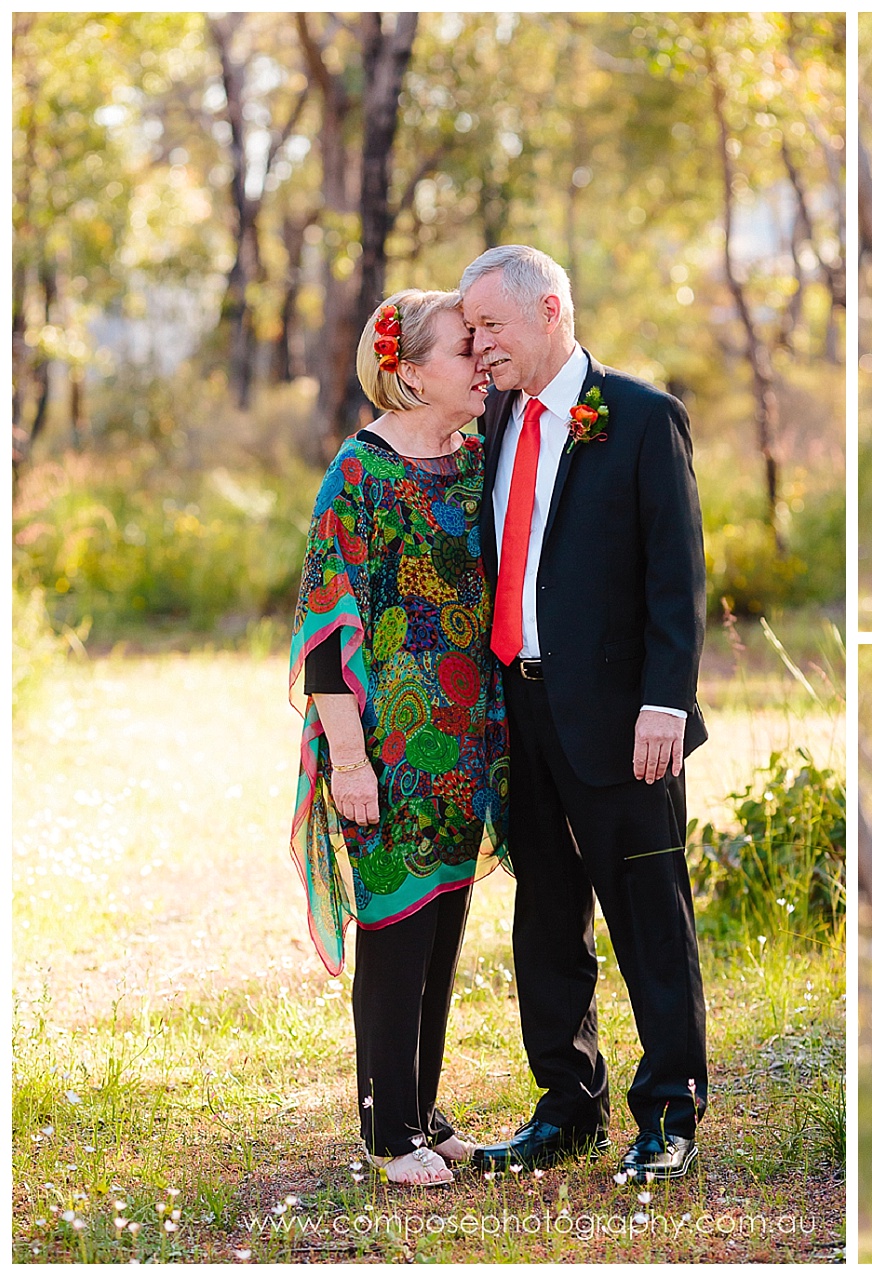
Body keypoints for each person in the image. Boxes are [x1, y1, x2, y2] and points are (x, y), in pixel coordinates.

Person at [460, 245, 710, 1181]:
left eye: (490, 326)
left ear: (551, 309)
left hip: (623, 721)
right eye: (472, 330)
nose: (479, 345)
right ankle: (566, 1105)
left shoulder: (642, 418)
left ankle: (669, 1114)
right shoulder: (487, 423)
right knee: (546, 915)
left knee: (648, 911)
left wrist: (665, 706)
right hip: (517, 713)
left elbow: (676, 579)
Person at [289, 288, 508, 1186]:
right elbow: (327, 630)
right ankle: (386, 1134)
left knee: (443, 924)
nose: (483, 361)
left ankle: (420, 1110)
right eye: (466, 348)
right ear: (411, 372)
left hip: (468, 742)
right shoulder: (360, 474)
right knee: (394, 926)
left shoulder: (479, 459)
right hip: (384, 745)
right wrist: (348, 758)